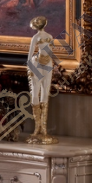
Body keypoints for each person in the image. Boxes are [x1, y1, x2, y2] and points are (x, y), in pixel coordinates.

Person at [26, 16, 57, 145]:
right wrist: (30, 68)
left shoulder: (45, 37)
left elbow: (49, 52)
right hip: (40, 64)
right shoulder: (40, 37)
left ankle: (42, 128)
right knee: (37, 94)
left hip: (45, 64)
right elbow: (30, 56)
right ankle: (38, 128)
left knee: (43, 95)